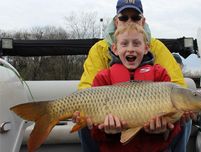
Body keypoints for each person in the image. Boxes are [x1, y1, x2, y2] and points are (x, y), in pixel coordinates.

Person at [73, 0, 194, 151]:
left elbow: (177, 87)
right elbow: (86, 90)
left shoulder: (157, 48)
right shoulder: (99, 49)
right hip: (112, 116)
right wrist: (104, 120)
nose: (129, 21)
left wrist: (166, 125)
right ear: (116, 21)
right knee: (85, 122)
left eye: (135, 17)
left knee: (183, 114)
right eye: (124, 18)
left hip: (150, 123)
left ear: (143, 21)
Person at [84, 22, 182, 152]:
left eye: (136, 43)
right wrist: (108, 132)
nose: (131, 49)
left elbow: (174, 128)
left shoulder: (160, 75)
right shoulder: (103, 79)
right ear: (115, 49)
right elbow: (95, 134)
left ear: (146, 48)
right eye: (124, 44)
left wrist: (164, 130)